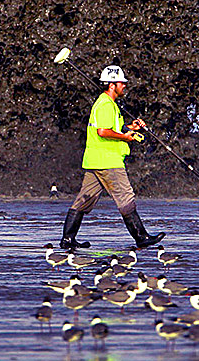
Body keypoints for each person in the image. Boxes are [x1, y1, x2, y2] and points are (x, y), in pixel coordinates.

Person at [60, 65, 165, 250]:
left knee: (84, 199)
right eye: (121, 83)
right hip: (108, 161)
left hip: (95, 161)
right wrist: (125, 137)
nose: (124, 85)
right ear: (111, 85)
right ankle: (141, 237)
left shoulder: (107, 104)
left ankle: (68, 239)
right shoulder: (106, 105)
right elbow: (103, 131)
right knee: (125, 197)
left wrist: (131, 128)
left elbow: (112, 127)